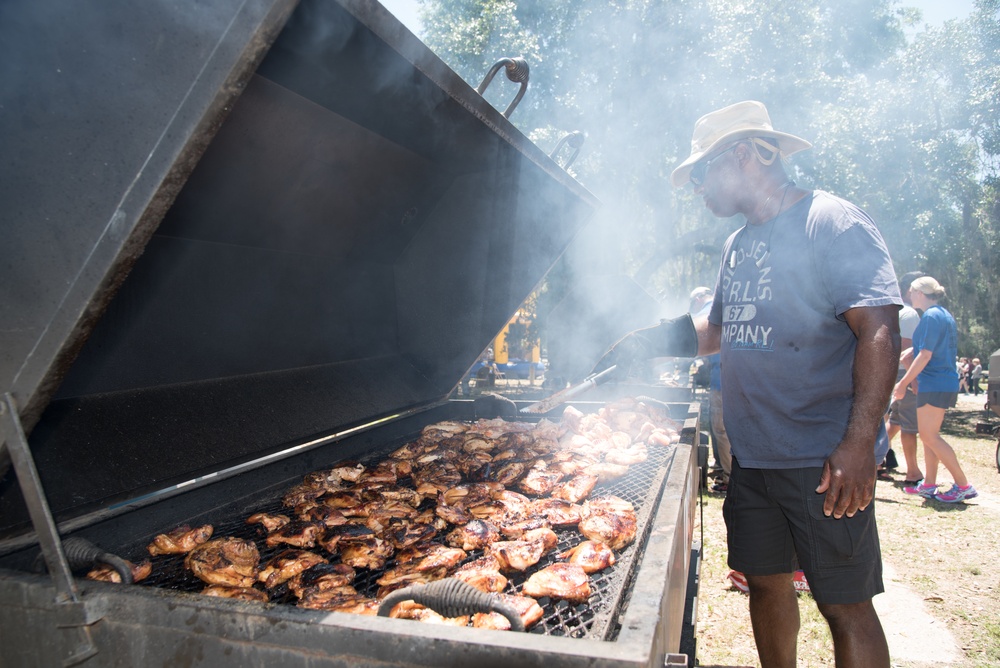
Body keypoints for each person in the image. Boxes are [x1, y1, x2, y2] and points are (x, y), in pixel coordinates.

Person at [594, 100, 899, 668]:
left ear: (739, 157)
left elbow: (879, 327)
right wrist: (655, 340)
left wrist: (859, 444)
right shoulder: (737, 245)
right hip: (754, 458)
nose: (697, 190)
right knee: (765, 583)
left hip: (821, 458)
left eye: (701, 174)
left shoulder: (830, 221)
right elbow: (721, 325)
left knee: (844, 603)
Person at [894, 277, 978, 503]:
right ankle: (929, 484)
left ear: (920, 293)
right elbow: (930, 348)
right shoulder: (942, 314)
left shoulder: (930, 316)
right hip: (940, 382)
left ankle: (963, 485)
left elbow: (926, 355)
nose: (908, 295)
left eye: (911, 291)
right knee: (929, 436)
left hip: (935, 383)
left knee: (930, 436)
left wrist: (903, 383)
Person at [690, 286, 732, 493]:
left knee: (721, 429)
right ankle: (721, 469)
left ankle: (728, 478)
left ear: (698, 299)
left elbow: (696, 339)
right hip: (730, 379)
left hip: (722, 382)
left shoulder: (706, 312)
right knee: (723, 429)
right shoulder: (722, 306)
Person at [884, 270, 925, 484]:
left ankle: (878, 458)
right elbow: (906, 352)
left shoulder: (895, 311)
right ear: (912, 290)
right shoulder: (910, 314)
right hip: (904, 373)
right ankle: (913, 472)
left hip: (893, 373)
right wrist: (912, 379)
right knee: (910, 425)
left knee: (895, 421)